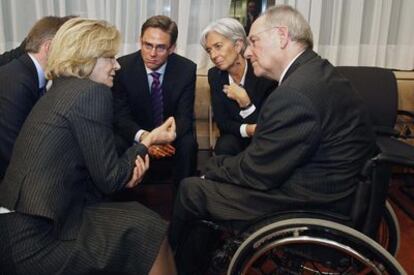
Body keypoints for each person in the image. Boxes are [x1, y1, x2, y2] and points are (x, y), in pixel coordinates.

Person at [169, 5, 376, 273]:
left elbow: (258, 171)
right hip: (336, 187)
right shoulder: (318, 72)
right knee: (210, 182)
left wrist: (212, 168)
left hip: (312, 202)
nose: (248, 51)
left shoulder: (295, 93)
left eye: (253, 41)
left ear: (281, 36)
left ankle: (173, 265)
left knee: (191, 190)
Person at [0, 18, 177, 274]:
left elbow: (94, 171)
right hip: (37, 237)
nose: (116, 65)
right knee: (150, 229)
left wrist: (143, 145)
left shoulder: (62, 87)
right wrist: (145, 144)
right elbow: (111, 179)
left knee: (145, 223)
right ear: (87, 58)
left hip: (25, 223)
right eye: (110, 57)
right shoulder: (91, 93)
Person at [112, 15, 198, 187]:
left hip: (169, 135)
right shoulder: (122, 67)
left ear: (172, 48)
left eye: (160, 48)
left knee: (188, 143)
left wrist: (165, 139)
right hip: (137, 132)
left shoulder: (186, 69)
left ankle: (182, 206)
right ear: (140, 41)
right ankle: (122, 205)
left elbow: (184, 116)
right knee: (116, 141)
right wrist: (147, 139)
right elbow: (121, 117)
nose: (152, 54)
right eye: (147, 45)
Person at [0, 15, 73, 179]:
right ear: (49, 47)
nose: (72, 56)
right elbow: (13, 151)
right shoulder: (18, 82)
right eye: (69, 48)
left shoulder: (31, 74)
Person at [200, 17, 276, 156]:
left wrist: (246, 103)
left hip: (266, 142)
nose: (213, 55)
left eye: (218, 46)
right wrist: (249, 130)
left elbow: (268, 129)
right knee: (225, 144)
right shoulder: (215, 75)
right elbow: (223, 123)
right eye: (209, 50)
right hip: (235, 137)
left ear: (238, 45)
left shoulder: (263, 74)